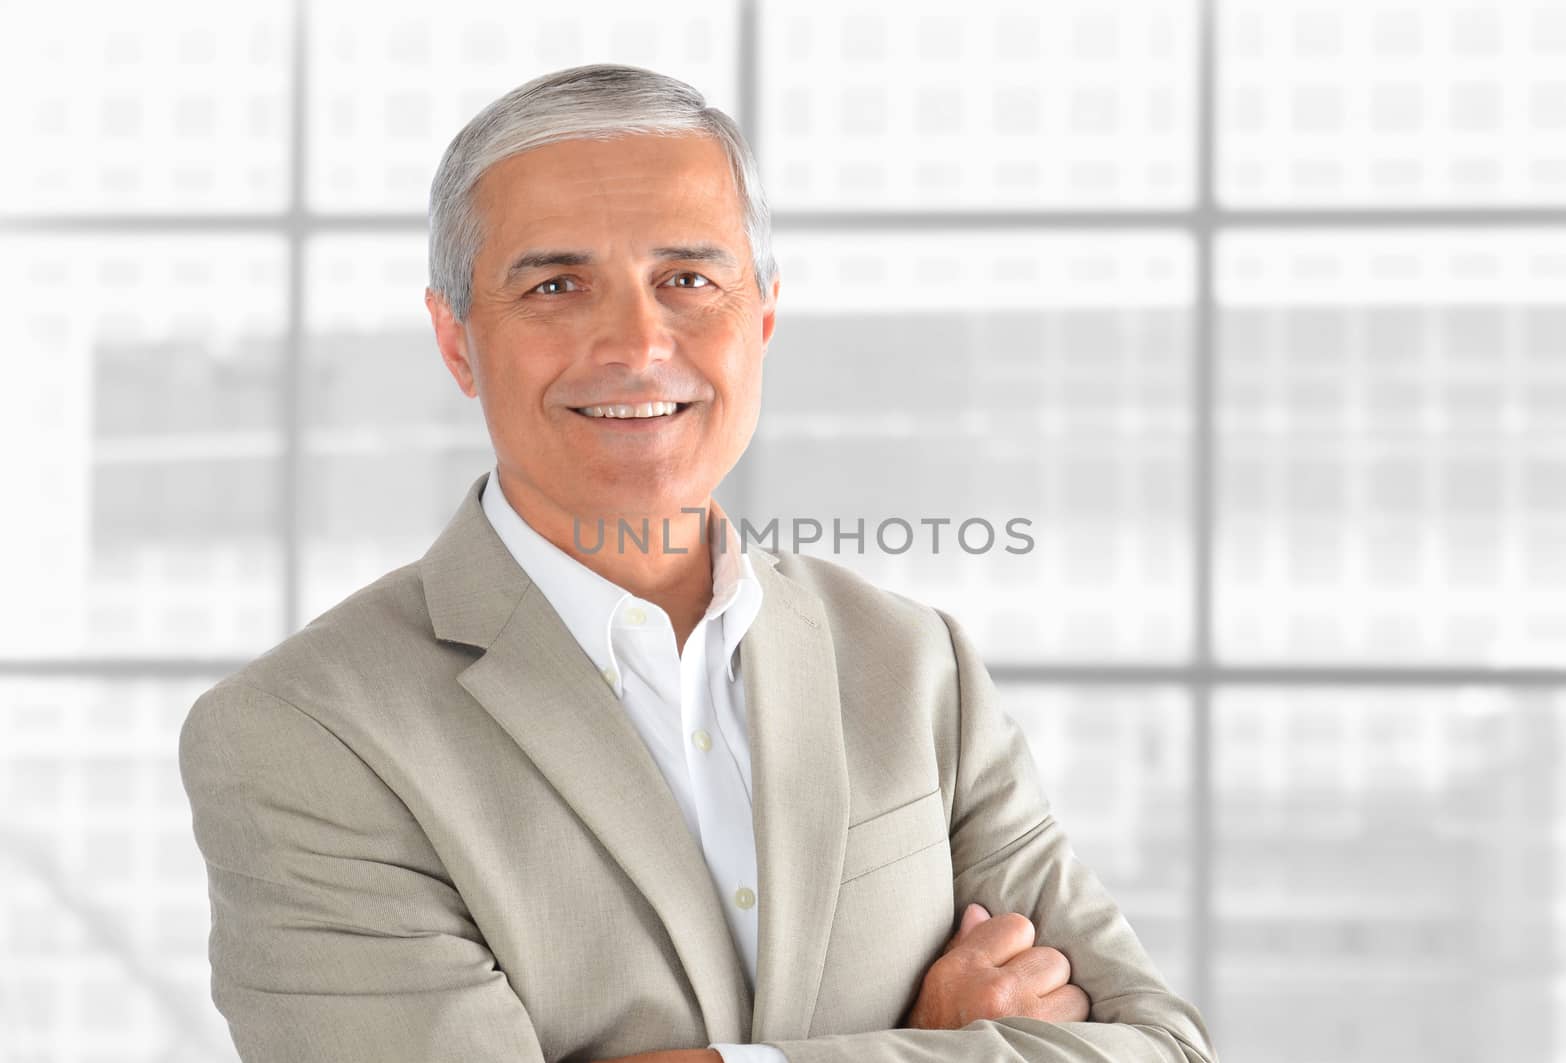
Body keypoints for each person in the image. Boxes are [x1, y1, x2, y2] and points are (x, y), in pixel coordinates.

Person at [179, 63, 1217, 1063]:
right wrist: (934, 1033)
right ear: (457, 342)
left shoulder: (915, 667)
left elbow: (1158, 1046)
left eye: (686, 279)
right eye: (554, 284)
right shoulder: (304, 733)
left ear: (760, 318)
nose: (635, 343)